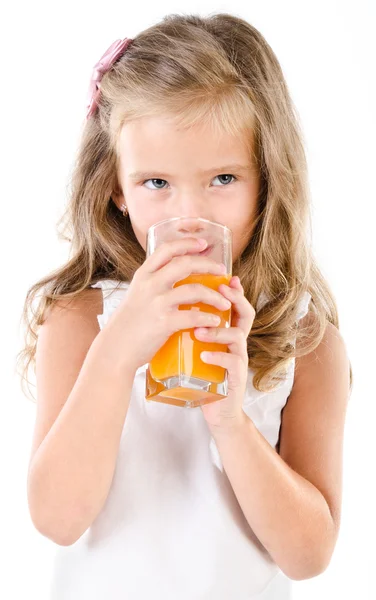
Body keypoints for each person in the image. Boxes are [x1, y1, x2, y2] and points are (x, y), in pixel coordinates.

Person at [17, 12, 352, 600]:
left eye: (223, 178)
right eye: (156, 183)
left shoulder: (304, 340)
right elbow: (58, 519)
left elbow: (308, 555)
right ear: (116, 187)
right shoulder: (79, 321)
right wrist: (118, 352)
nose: (189, 217)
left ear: (267, 181)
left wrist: (230, 419)